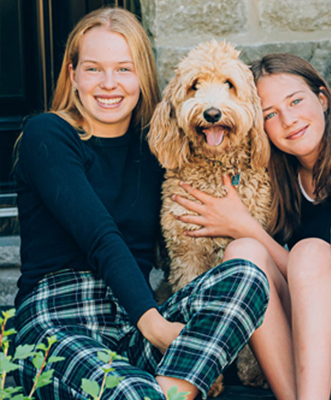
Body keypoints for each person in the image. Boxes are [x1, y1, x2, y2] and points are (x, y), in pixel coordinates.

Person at [12, 8, 268, 400]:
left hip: (132, 325)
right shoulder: (46, 135)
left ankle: (168, 390)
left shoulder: (157, 150)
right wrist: (158, 326)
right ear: (72, 75)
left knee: (248, 277)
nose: (109, 84)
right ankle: (166, 389)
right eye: (94, 69)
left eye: (124, 69)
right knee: (130, 392)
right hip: (61, 320)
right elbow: (100, 237)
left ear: (142, 77)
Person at [172, 53, 331, 400]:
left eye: (296, 101)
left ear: (322, 98)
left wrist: (243, 224)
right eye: (270, 114)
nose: (288, 120)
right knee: (242, 252)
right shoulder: (282, 170)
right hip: (305, 344)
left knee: (309, 252)